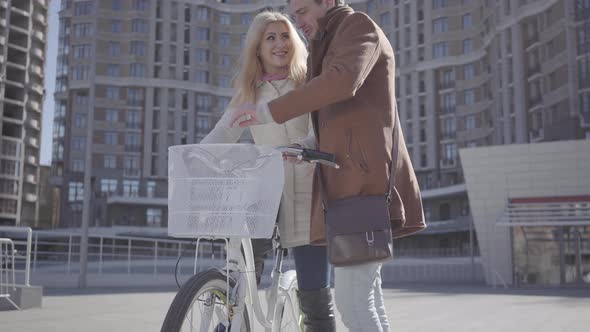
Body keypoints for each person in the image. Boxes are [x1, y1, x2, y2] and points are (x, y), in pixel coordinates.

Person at [230, 1, 426, 331]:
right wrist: (306, 147)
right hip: (348, 188)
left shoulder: (357, 28)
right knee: (368, 299)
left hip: (362, 188)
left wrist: (268, 112)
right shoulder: (330, 41)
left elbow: (342, 82)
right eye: (295, 14)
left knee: (353, 302)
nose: (298, 21)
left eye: (304, 11)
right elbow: (335, 120)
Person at [200, 11, 335, 331]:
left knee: (314, 293)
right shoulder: (248, 90)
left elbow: (324, 126)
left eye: (285, 35)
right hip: (264, 191)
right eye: (270, 37)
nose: (279, 43)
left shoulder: (310, 80)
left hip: (309, 194)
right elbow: (223, 132)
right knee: (244, 265)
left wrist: (307, 145)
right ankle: (233, 317)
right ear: (257, 48)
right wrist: (195, 156)